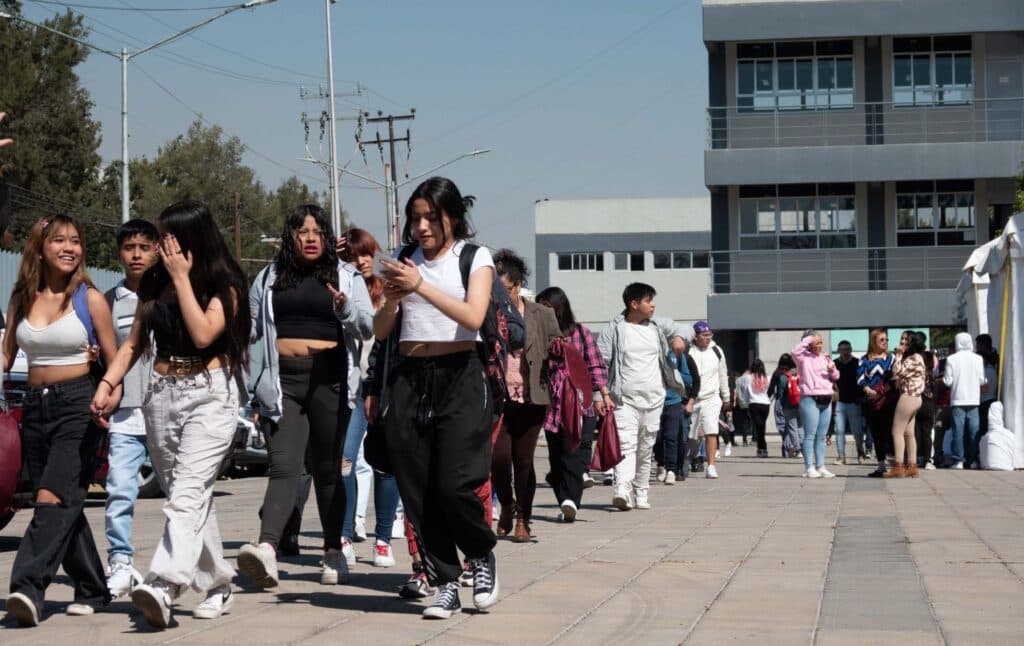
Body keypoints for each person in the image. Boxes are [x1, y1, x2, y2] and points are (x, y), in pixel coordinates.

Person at [90, 201, 251, 629]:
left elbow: (202, 333)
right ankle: (218, 584)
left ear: (191, 238)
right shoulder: (153, 283)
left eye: (167, 237)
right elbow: (132, 344)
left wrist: (181, 278)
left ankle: (163, 583)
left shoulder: (226, 282)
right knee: (189, 495)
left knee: (185, 494)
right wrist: (108, 384)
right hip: (161, 395)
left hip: (210, 395)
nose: (160, 246)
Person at [370, 177, 500, 620]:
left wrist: (420, 286)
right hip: (408, 376)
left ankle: (480, 555)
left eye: (431, 218)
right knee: (418, 488)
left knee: (454, 482)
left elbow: (474, 316)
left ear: (452, 218)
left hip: (460, 374)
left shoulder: (473, 257)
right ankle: (445, 581)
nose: (421, 227)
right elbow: (382, 330)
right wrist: (391, 299)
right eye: (415, 218)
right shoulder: (403, 260)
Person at [240, 205, 373, 589]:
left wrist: (345, 309)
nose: (310, 237)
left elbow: (367, 327)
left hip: (330, 380)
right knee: (284, 467)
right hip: (283, 384)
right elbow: (253, 337)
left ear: (328, 237)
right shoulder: (267, 278)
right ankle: (267, 548)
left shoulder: (346, 276)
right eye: (302, 231)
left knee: (328, 470)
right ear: (290, 237)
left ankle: (333, 550)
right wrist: (251, 392)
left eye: (317, 231)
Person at [4, 214, 119, 627]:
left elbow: (114, 359)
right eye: (59, 241)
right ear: (41, 247)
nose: (69, 248)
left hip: (78, 405)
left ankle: (27, 588)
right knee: (65, 501)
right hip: (33, 408)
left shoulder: (90, 299)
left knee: (49, 499)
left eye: (75, 240)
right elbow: (5, 355)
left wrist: (108, 395)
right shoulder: (21, 297)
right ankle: (93, 588)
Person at [337, 227, 401, 567]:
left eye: (365, 255)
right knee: (344, 461)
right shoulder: (342, 286)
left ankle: (383, 540)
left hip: (385, 387)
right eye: (351, 257)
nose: (360, 262)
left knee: (385, 465)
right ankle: (345, 535)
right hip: (353, 388)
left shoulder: (389, 289)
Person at [103, 219, 160, 600]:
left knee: (184, 497)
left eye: (144, 246)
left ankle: (182, 568)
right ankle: (120, 563)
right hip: (125, 414)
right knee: (119, 490)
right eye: (129, 247)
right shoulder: (109, 300)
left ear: (157, 249)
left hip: (168, 413)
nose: (136, 254)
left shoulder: (172, 293)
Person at [597, 283, 687, 509]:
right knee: (627, 444)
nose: (652, 305)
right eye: (648, 301)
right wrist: (598, 395)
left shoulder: (657, 326)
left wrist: (678, 337)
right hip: (624, 400)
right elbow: (599, 364)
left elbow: (688, 329)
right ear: (633, 304)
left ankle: (642, 492)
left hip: (655, 398)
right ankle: (622, 490)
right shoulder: (614, 330)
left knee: (646, 447)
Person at [490, 249, 559, 541]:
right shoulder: (486, 310)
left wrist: (556, 348)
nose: (499, 295)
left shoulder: (541, 313)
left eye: (503, 289)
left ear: (517, 285)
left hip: (533, 396)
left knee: (524, 461)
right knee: (498, 459)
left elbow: (556, 342)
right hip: (498, 396)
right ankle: (506, 503)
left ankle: (523, 519)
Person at [535, 287, 612, 521]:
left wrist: (604, 395)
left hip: (581, 402)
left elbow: (596, 365)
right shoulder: (539, 335)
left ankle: (571, 501)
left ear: (559, 308)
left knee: (575, 451)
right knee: (556, 455)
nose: (542, 312)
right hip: (551, 403)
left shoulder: (581, 333)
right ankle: (564, 496)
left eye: (547, 307)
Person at [792, 334, 839, 478]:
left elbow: (836, 376)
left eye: (821, 342)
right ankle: (809, 467)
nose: (820, 345)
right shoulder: (803, 357)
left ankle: (821, 466)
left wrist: (832, 370)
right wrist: (808, 339)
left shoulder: (826, 357)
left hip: (826, 397)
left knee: (821, 436)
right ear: (810, 343)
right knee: (810, 435)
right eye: (817, 342)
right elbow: (794, 352)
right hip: (810, 398)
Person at [689, 321, 730, 479]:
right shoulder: (690, 351)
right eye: (703, 335)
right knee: (691, 435)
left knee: (711, 431)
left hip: (711, 397)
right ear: (696, 336)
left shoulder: (716, 351)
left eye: (709, 335)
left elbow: (723, 374)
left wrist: (726, 397)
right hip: (693, 399)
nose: (707, 338)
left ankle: (711, 465)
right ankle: (690, 459)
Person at [885, 331, 928, 478]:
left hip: (908, 397)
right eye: (902, 339)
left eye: (906, 340)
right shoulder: (918, 357)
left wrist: (897, 355)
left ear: (911, 344)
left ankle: (898, 466)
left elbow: (897, 372)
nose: (902, 342)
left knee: (896, 432)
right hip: (916, 398)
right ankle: (912, 466)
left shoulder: (913, 358)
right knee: (909, 433)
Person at [655, 337, 699, 481]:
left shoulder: (678, 356)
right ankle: (660, 464)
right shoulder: (650, 356)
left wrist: (673, 376)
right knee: (658, 437)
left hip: (674, 400)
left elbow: (689, 379)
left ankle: (672, 470)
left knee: (672, 437)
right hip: (654, 401)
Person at [943, 332, 986, 470]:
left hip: (957, 399)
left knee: (958, 432)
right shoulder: (978, 359)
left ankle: (958, 460)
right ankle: (973, 459)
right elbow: (982, 380)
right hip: (974, 400)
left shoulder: (951, 359)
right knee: (974, 431)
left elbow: (948, 381)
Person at [859, 329, 897, 477]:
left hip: (888, 400)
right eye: (882, 340)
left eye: (886, 340)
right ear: (873, 341)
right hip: (871, 401)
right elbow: (860, 377)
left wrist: (881, 392)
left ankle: (895, 463)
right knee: (876, 433)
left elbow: (894, 378)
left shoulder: (891, 358)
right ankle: (881, 465)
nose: (885, 342)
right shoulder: (865, 359)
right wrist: (867, 389)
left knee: (890, 432)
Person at [833, 340, 867, 465]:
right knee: (839, 430)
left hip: (854, 402)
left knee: (857, 431)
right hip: (839, 402)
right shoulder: (834, 364)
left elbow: (863, 380)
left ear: (851, 350)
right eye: (842, 349)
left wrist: (861, 397)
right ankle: (841, 456)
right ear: (839, 351)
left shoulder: (857, 363)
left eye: (847, 349)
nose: (845, 352)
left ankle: (860, 451)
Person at [767, 353, 802, 458]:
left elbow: (771, 389)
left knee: (784, 427)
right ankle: (797, 446)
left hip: (782, 402)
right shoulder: (797, 372)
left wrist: (768, 399)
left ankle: (788, 448)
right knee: (798, 425)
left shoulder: (778, 373)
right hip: (798, 401)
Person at [975, 333, 998, 466]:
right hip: (987, 402)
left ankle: (981, 456)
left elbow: (985, 388)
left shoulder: (988, 371)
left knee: (982, 430)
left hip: (986, 403)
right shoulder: (990, 367)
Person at [741, 359, 771, 458]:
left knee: (759, 427)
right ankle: (762, 448)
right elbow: (771, 391)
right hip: (765, 404)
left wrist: (746, 401)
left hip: (754, 403)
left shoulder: (748, 377)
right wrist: (769, 400)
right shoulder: (767, 377)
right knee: (761, 426)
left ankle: (761, 448)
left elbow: (745, 391)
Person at [915, 345, 937, 470]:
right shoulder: (931, 374)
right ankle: (928, 459)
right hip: (928, 403)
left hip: (917, 401)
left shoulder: (917, 373)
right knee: (927, 432)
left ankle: (918, 457)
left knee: (917, 431)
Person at [732, 370, 751, 449]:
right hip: (748, 403)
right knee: (747, 421)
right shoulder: (748, 380)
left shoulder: (737, 382)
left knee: (743, 422)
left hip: (740, 404)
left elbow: (737, 394)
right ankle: (746, 439)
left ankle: (744, 439)